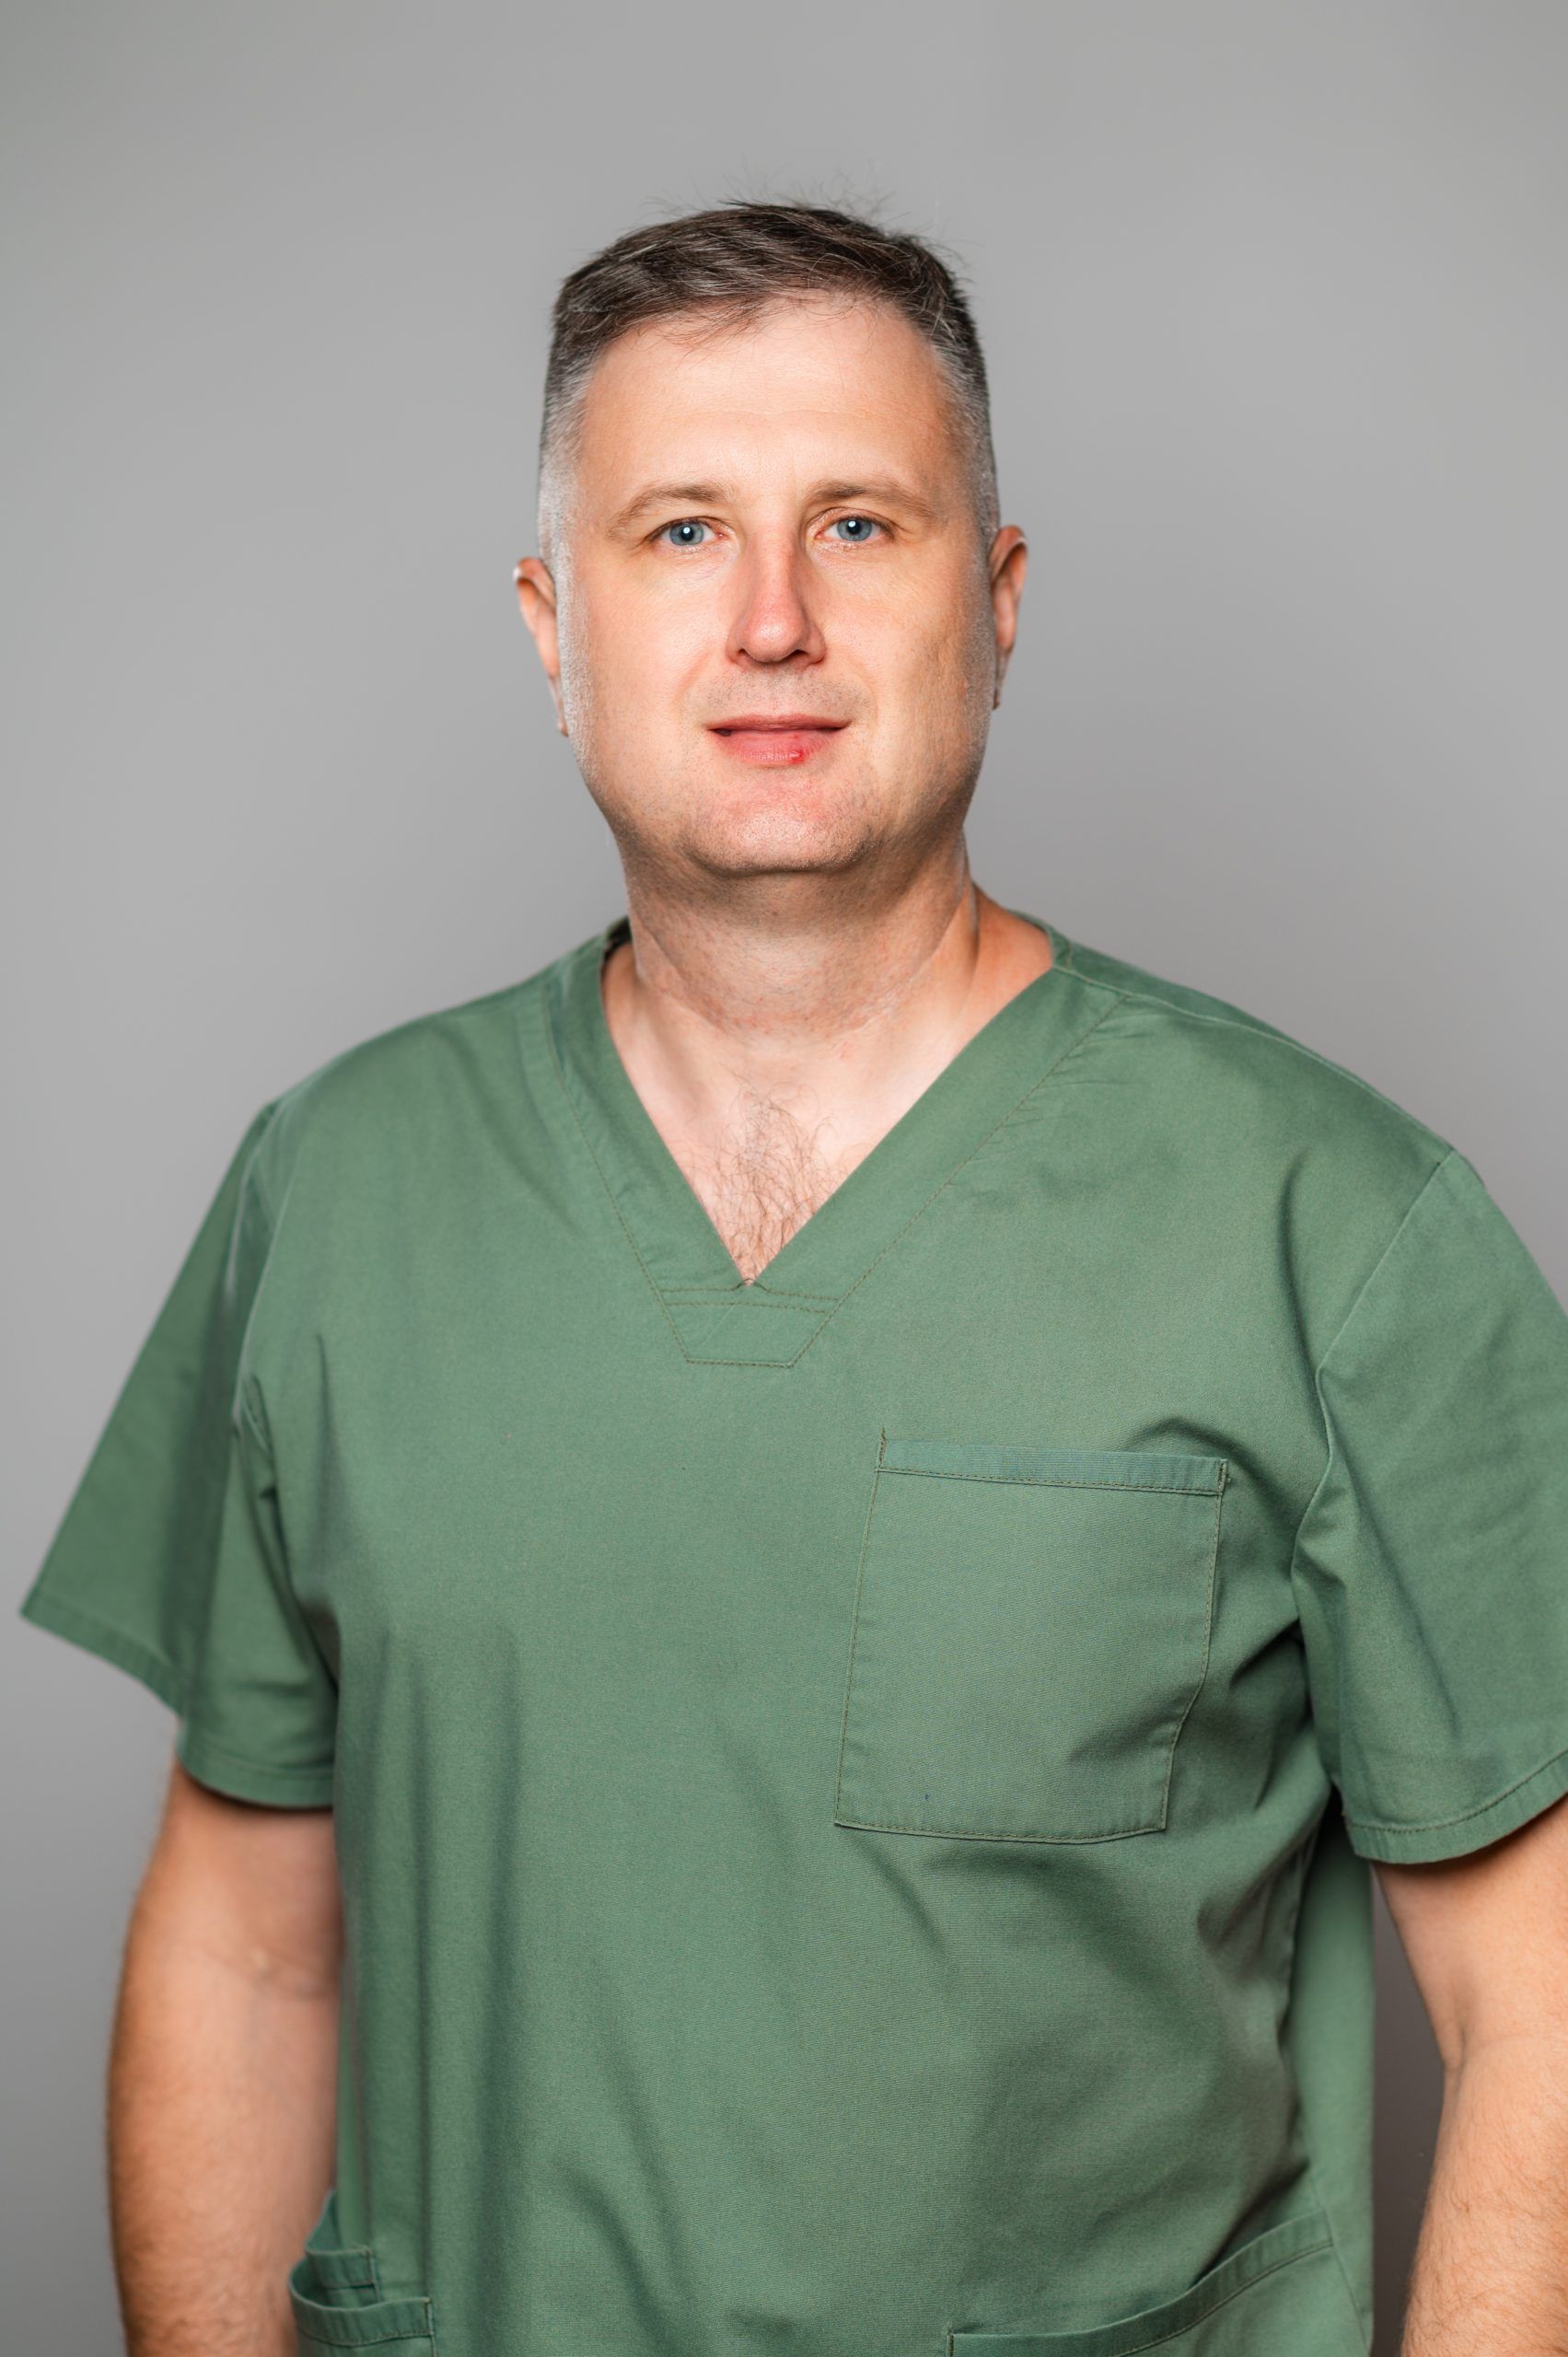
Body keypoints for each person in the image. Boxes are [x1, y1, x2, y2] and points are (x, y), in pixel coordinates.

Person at [18, 198, 1568, 2357]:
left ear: (997, 602)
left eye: (857, 524)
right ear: (553, 625)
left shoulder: (1333, 1224)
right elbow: (250, 1948)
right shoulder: (339, 1192)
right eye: (680, 533)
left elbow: (1543, 2004)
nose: (771, 620)